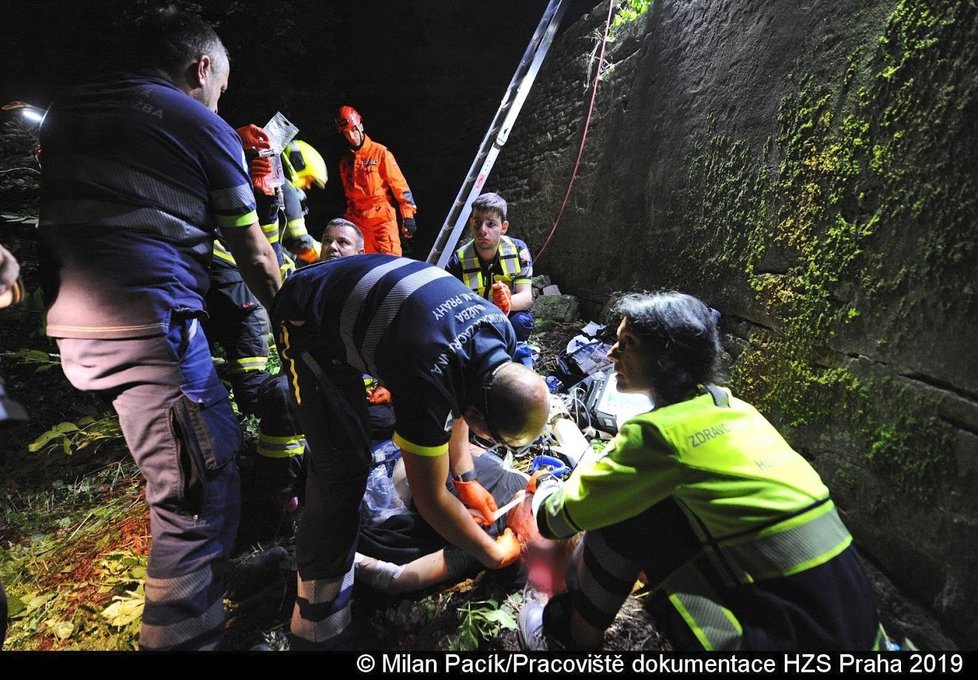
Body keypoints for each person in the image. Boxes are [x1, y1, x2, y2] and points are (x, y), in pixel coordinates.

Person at [37, 6, 281, 651]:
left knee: (180, 461)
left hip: (76, 320)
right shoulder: (197, 122)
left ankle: (211, 581)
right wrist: (293, 321)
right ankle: (184, 634)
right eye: (218, 85)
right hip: (151, 322)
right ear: (200, 67)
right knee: (198, 484)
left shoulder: (69, 109)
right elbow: (254, 250)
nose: (217, 97)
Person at [519, 291, 884, 651]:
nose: (612, 353)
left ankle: (570, 638)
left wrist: (546, 487)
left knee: (623, 511)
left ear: (666, 357)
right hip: (852, 623)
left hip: (791, 634)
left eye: (627, 343)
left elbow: (557, 519)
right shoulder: (736, 409)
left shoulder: (659, 434)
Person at [269, 254, 551, 649]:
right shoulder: (427, 374)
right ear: (477, 414)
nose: (486, 441)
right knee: (342, 470)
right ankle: (317, 627)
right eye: (489, 435)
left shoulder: (500, 331)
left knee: (366, 435)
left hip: (379, 301)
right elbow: (431, 498)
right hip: (306, 312)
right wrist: (489, 552)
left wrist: (465, 476)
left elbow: (461, 391)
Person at [446, 192, 534, 343]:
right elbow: (451, 305)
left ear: (503, 227)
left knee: (521, 322)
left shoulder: (519, 251)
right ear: (470, 223)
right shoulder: (458, 260)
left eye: (491, 224)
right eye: (477, 222)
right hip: (474, 317)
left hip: (507, 314)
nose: (482, 230)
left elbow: (526, 298)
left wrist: (507, 302)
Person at [334, 105, 417, 256]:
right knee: (361, 269)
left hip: (381, 221)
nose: (351, 136)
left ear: (360, 126)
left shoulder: (380, 153)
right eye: (346, 133)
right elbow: (349, 197)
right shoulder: (345, 161)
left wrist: (408, 216)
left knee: (390, 265)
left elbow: (400, 186)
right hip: (358, 223)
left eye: (353, 130)